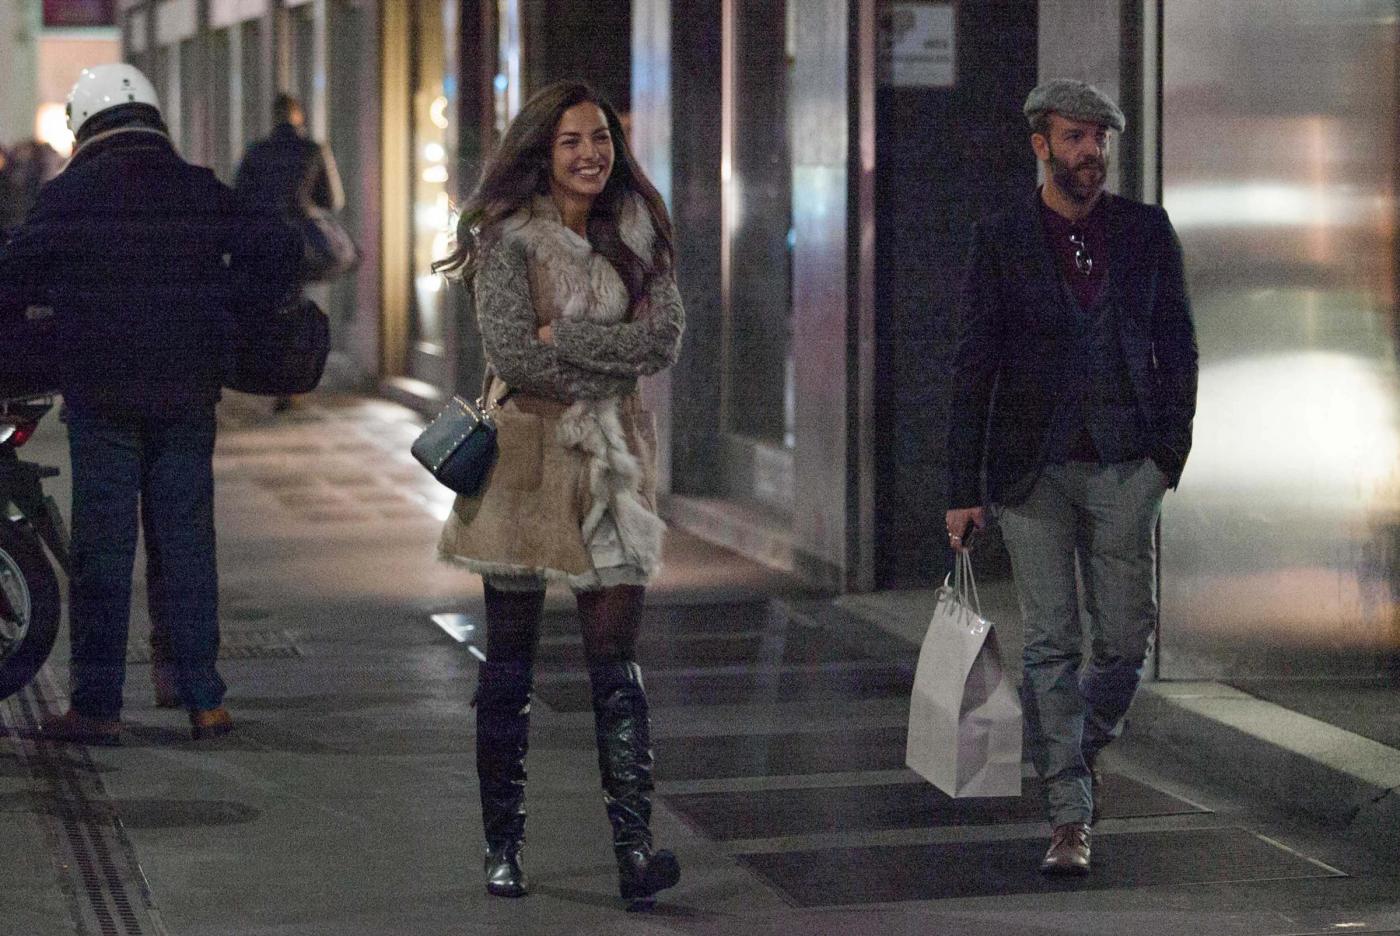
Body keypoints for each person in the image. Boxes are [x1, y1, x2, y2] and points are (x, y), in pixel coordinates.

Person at [433, 79, 685, 907]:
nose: (590, 154)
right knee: (510, 661)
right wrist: (604, 350)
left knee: (617, 662)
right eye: (572, 140)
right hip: (526, 459)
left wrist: (566, 335)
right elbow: (515, 355)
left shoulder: (638, 231)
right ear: (544, 152)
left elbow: (663, 341)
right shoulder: (506, 239)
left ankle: (635, 853)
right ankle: (502, 844)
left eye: (601, 138)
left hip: (614, 463)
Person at [0, 64, 298, 744]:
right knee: (186, 541)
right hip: (188, 390)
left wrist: (50, 315)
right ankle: (201, 698)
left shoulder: (68, 195)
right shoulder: (196, 188)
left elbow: (11, 279)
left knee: (104, 552)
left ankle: (97, 707)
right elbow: (278, 248)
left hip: (102, 394)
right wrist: (230, 305)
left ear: (85, 125)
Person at [944, 79, 1198, 875]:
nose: (1091, 152)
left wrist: (1167, 458)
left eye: (1100, 138)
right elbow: (974, 363)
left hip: (1128, 464)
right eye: (1075, 137)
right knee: (1051, 642)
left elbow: (1179, 348)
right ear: (1041, 145)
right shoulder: (1002, 238)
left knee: (1123, 640)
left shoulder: (1146, 232)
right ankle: (1068, 815)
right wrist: (961, 487)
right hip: (1033, 473)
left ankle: (1075, 752)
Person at [233, 93, 346, 412]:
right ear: (298, 117)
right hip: (300, 241)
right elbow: (333, 199)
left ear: (274, 117)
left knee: (270, 308)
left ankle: (275, 378)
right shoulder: (313, 150)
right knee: (296, 308)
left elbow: (239, 195)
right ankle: (292, 382)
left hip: (262, 242)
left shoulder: (256, 151)